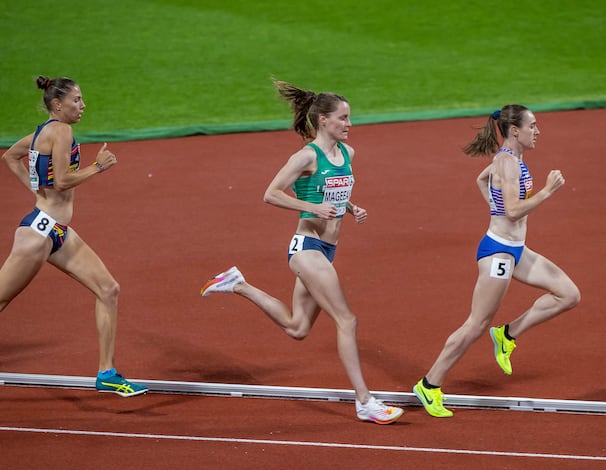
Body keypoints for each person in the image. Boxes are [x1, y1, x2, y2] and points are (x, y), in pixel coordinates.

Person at [0, 76, 147, 397]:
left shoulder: (40, 132)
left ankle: (107, 373)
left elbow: (10, 157)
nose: (83, 105)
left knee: (108, 289)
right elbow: (60, 182)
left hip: (55, 230)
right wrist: (97, 167)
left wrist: (36, 191)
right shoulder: (61, 131)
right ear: (57, 105)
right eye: (76, 100)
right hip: (39, 233)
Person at [200, 80, 403, 424]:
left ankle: (238, 284)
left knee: (297, 328)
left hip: (327, 248)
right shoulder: (307, 156)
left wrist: (350, 208)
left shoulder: (348, 154)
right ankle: (365, 401)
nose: (349, 124)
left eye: (349, 117)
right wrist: (312, 207)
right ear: (323, 120)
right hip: (306, 248)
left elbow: (332, 191)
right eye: (343, 118)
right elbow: (271, 193)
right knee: (347, 320)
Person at [413, 105, 581, 417]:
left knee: (568, 294)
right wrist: (547, 191)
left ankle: (508, 334)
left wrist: (494, 204)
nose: (538, 131)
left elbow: (481, 180)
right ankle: (429, 384)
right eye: (533, 125)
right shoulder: (507, 163)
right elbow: (514, 211)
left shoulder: (512, 159)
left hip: (516, 249)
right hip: (499, 254)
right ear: (514, 131)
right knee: (476, 323)